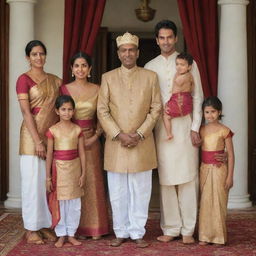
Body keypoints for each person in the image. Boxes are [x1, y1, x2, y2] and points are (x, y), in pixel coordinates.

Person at [97, 32, 162, 248]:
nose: (127, 54)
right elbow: (102, 110)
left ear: (137, 52)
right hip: (116, 143)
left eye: (131, 50)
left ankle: (137, 232)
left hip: (142, 142)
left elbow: (156, 108)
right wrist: (118, 134)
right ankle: (121, 231)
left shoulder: (150, 77)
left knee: (141, 190)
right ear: (118, 53)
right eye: (123, 50)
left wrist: (140, 133)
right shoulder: (108, 77)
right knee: (117, 191)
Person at [145, 20, 204, 244]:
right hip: (163, 128)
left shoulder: (190, 63)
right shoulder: (151, 66)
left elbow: (198, 95)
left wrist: (195, 127)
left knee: (189, 177)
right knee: (167, 179)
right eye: (162, 37)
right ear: (157, 40)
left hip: (186, 125)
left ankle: (188, 229)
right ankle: (171, 228)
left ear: (176, 38)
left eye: (170, 37)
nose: (166, 41)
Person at [16, 40, 61, 244]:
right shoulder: (23, 80)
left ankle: (43, 225)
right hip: (31, 137)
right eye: (34, 54)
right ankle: (31, 228)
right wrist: (37, 141)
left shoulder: (55, 81)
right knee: (31, 184)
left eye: (41, 54)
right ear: (28, 57)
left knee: (46, 183)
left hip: (50, 134)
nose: (38, 58)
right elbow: (26, 112)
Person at [60, 52, 109, 239]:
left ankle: (96, 227)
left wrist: (96, 136)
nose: (80, 69)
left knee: (92, 181)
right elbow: (61, 115)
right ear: (71, 69)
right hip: (70, 141)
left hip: (91, 139)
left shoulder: (98, 89)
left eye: (84, 66)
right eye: (76, 66)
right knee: (73, 182)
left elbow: (103, 116)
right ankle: (75, 228)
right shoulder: (64, 89)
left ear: (89, 69)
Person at [46, 95, 86, 248]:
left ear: (73, 111)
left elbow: (82, 153)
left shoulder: (77, 130)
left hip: (74, 169)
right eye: (63, 109)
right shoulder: (52, 131)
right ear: (57, 111)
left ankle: (71, 234)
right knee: (61, 202)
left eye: (70, 109)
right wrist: (48, 177)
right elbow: (49, 154)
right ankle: (61, 234)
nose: (66, 113)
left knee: (74, 203)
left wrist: (83, 173)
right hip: (59, 171)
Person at [198, 96, 234, 245]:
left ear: (219, 112)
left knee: (219, 202)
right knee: (205, 203)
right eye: (207, 112)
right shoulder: (201, 130)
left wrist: (230, 177)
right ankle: (205, 236)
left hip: (220, 171)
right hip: (204, 170)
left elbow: (231, 155)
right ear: (203, 113)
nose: (210, 115)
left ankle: (219, 237)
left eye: (213, 111)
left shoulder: (225, 131)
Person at [163, 52, 194, 140]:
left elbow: (177, 82)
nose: (178, 67)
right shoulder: (190, 76)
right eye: (177, 64)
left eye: (182, 65)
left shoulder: (184, 76)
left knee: (166, 116)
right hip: (185, 99)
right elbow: (192, 88)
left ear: (189, 67)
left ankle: (169, 133)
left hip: (179, 100)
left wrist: (176, 75)